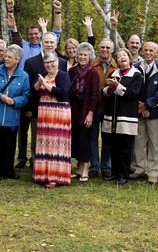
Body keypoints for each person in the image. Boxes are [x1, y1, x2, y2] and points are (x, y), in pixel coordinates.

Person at [20, 32, 67, 170]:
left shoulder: (62, 62)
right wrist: (28, 108)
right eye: (46, 42)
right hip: (37, 108)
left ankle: (53, 164)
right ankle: (36, 163)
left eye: (52, 42)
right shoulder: (31, 62)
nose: (49, 45)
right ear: (42, 43)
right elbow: (28, 88)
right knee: (37, 139)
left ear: (56, 44)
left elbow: (63, 87)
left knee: (53, 139)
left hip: (57, 109)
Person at [129, 41, 158, 185]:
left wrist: (147, 106)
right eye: (145, 50)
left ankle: (153, 173)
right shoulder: (135, 67)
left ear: (156, 52)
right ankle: (139, 169)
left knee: (154, 143)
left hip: (155, 113)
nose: (148, 53)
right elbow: (132, 89)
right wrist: (140, 107)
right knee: (139, 142)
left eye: (151, 50)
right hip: (138, 112)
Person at [101, 48, 143, 185]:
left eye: (124, 55)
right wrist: (109, 89)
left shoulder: (136, 75)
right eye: (119, 57)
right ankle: (115, 172)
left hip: (126, 117)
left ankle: (124, 174)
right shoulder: (114, 73)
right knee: (113, 145)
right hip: (112, 117)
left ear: (130, 58)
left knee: (125, 147)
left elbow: (133, 94)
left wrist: (118, 87)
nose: (122, 58)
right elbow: (105, 93)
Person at [0, 44, 29, 181]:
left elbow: (26, 95)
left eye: (10, 57)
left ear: (18, 60)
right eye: (6, 56)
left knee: (10, 145)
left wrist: (15, 101)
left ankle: (9, 171)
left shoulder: (23, 76)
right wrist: (0, 96)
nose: (6, 59)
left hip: (13, 117)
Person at [32, 50, 72, 188]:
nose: (49, 65)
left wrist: (46, 85)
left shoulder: (63, 76)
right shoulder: (42, 76)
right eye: (46, 63)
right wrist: (38, 84)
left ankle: (56, 176)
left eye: (52, 62)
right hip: (44, 115)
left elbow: (62, 93)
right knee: (45, 143)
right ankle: (42, 174)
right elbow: (34, 91)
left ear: (57, 62)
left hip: (59, 114)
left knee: (57, 144)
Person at [68, 42, 100, 183]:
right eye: (80, 54)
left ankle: (86, 169)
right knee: (76, 139)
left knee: (85, 139)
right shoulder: (72, 71)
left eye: (85, 55)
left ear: (90, 57)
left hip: (86, 109)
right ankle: (79, 168)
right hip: (74, 109)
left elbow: (94, 95)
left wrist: (90, 113)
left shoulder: (93, 73)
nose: (82, 57)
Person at [89, 33, 118, 180]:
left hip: (110, 108)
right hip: (95, 107)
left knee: (107, 139)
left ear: (112, 50)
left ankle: (106, 167)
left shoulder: (117, 65)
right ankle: (94, 166)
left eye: (108, 47)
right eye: (102, 47)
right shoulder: (92, 64)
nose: (105, 50)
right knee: (93, 137)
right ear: (98, 49)